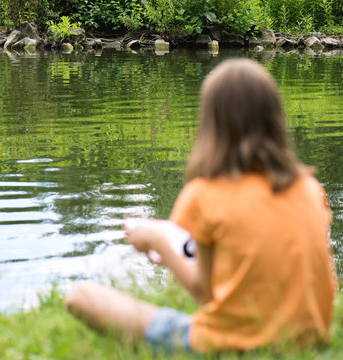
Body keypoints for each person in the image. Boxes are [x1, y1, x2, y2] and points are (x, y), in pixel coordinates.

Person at [64, 59, 335, 353]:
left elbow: (204, 292)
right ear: (275, 119)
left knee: (80, 295)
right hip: (308, 340)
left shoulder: (203, 194)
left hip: (230, 344)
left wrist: (157, 240)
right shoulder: (309, 189)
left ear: (211, 124)